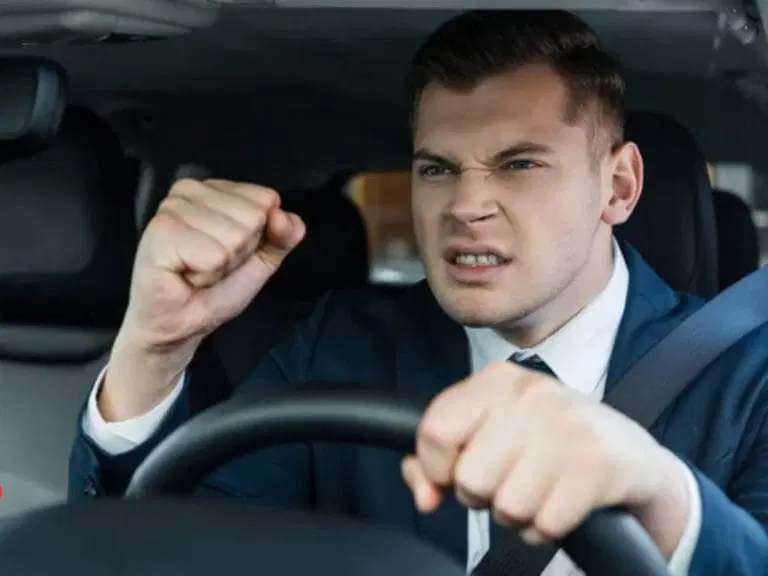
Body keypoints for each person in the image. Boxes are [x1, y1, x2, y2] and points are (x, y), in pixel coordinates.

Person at [68, 10, 767, 575]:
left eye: (519, 163)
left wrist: (661, 492)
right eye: (436, 170)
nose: (465, 205)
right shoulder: (338, 344)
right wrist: (154, 348)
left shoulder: (748, 374)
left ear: (618, 188)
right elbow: (161, 552)